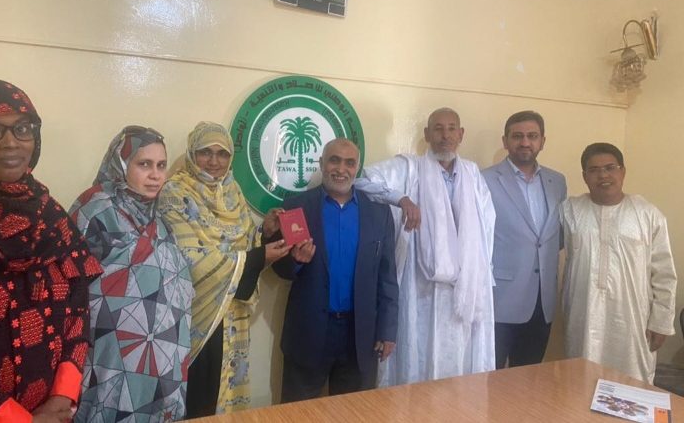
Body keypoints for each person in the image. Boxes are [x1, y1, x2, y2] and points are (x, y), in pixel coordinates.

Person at [0, 78, 102, 423]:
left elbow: (77, 308)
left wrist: (62, 397)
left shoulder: (50, 216)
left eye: (23, 128)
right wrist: (19, 420)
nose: (11, 142)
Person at [356, 107, 496, 386]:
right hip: (419, 287)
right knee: (418, 358)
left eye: (451, 129)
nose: (445, 136)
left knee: (461, 368)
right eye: (438, 129)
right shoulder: (409, 168)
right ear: (427, 134)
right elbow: (362, 181)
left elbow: (487, 227)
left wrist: (479, 274)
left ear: (461, 134)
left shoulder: (472, 173)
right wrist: (400, 199)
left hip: (465, 288)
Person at [158, 121, 290, 416]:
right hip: (197, 312)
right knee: (199, 395)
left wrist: (265, 232)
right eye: (206, 152)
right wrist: (257, 258)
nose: (214, 161)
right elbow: (192, 258)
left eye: (222, 154)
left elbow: (244, 241)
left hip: (232, 311)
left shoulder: (233, 191)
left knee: (226, 388)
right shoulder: (175, 193)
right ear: (192, 153)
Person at [70, 126, 193, 422]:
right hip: (111, 351)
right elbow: (71, 283)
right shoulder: (94, 209)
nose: (155, 175)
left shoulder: (158, 214)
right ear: (121, 164)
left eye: (161, 165)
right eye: (144, 164)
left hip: (161, 349)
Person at [272, 138, 398, 402]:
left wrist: (387, 330)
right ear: (322, 164)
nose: (341, 169)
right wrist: (296, 260)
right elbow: (280, 270)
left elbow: (387, 277)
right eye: (334, 160)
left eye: (349, 163)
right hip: (308, 332)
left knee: (354, 413)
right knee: (297, 414)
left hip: (359, 335)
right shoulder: (297, 206)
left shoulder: (379, 213)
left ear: (357, 168)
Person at [561, 142, 677, 384]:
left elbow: (664, 274)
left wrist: (661, 322)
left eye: (610, 168)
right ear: (584, 176)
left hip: (633, 322)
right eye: (594, 170)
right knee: (580, 381)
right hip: (583, 317)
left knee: (632, 385)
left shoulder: (647, 214)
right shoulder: (570, 211)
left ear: (623, 171)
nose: (603, 175)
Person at [482, 111, 566, 368]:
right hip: (499, 298)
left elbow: (556, 237)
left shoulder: (557, 181)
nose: (525, 142)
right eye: (517, 136)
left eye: (532, 136)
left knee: (530, 379)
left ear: (543, 141)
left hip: (542, 301)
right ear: (505, 141)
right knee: (489, 378)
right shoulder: (484, 180)